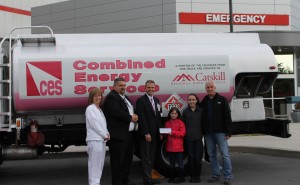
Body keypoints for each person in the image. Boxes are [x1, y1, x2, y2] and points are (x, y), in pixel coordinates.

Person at [103, 78, 138, 185]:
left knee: (127, 160)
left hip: (128, 134)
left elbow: (130, 109)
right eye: (120, 85)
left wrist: (134, 115)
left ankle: (125, 180)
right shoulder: (111, 97)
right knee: (118, 162)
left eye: (124, 85)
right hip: (118, 136)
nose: (123, 87)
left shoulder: (124, 97)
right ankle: (117, 182)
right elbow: (116, 112)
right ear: (114, 87)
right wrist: (131, 118)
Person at [200, 80, 233, 185]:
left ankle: (228, 176)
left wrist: (228, 132)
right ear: (206, 89)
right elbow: (200, 116)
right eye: (207, 87)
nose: (209, 89)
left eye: (211, 87)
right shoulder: (204, 100)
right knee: (212, 155)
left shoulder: (222, 100)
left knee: (225, 155)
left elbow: (227, 116)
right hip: (208, 133)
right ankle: (215, 175)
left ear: (215, 88)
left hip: (220, 132)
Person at [136, 80, 162, 185]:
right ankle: (146, 180)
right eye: (149, 87)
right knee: (146, 158)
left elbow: (158, 117)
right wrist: (146, 133)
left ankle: (150, 178)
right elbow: (141, 119)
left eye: (152, 87)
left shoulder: (156, 100)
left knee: (151, 157)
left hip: (155, 133)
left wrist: (160, 132)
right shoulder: (140, 101)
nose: (151, 89)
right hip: (146, 135)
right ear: (145, 88)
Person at [85, 88, 110, 185]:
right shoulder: (90, 109)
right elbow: (94, 124)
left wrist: (107, 133)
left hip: (100, 140)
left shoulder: (99, 109)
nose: (98, 97)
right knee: (94, 166)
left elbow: (103, 125)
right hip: (94, 140)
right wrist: (105, 134)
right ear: (91, 98)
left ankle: (96, 183)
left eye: (99, 95)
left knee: (99, 166)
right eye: (95, 96)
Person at [182, 94, 203, 183]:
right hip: (189, 138)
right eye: (189, 100)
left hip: (198, 138)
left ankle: (197, 176)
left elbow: (204, 123)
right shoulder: (185, 112)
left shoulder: (201, 111)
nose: (191, 101)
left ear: (196, 100)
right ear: (187, 101)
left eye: (193, 100)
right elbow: (182, 125)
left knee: (198, 158)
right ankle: (192, 176)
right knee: (191, 158)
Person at [164, 107, 186, 184]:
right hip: (169, 147)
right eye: (172, 113)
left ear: (178, 114)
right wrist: (162, 134)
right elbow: (166, 133)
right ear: (169, 114)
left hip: (178, 148)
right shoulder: (167, 122)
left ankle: (181, 177)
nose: (173, 115)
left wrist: (172, 132)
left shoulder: (181, 123)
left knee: (180, 163)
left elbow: (183, 133)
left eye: (175, 113)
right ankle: (172, 177)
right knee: (171, 164)